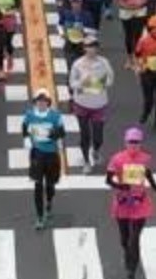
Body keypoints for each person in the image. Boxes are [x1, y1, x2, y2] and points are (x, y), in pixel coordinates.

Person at [106, 127, 156, 279]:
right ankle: (128, 256)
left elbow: (147, 174)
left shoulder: (145, 158)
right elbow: (108, 180)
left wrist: (155, 187)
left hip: (140, 203)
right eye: (131, 142)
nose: (133, 145)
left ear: (140, 143)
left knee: (134, 238)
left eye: (136, 142)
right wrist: (121, 185)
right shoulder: (117, 159)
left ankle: (131, 273)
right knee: (124, 239)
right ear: (125, 142)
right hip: (122, 202)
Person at [22, 88, 66, 229]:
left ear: (48, 103)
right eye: (39, 101)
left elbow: (62, 131)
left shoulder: (55, 116)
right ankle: (40, 217)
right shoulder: (29, 115)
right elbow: (24, 128)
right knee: (37, 185)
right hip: (37, 154)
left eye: (44, 101)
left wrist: (54, 134)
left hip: (52, 154)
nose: (41, 104)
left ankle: (49, 200)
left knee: (50, 184)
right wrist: (27, 140)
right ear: (35, 102)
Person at [70, 34, 114, 170]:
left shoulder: (104, 62)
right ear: (84, 48)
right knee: (85, 135)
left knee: (98, 136)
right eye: (89, 47)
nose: (92, 50)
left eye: (94, 46)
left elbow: (111, 79)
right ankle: (86, 161)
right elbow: (72, 83)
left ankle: (95, 150)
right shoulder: (77, 64)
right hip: (81, 103)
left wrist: (102, 84)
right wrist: (83, 83)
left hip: (99, 104)